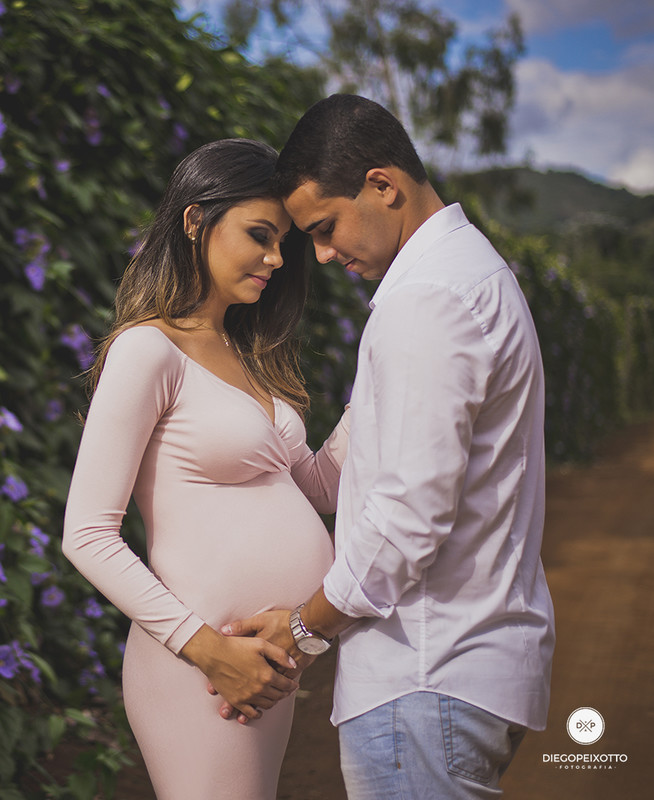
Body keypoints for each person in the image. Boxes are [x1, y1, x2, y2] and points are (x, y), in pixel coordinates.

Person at [218, 95, 555, 799]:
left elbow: (405, 520)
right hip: (456, 671)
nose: (321, 253)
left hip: (427, 674)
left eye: (325, 227)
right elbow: (348, 475)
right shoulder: (467, 276)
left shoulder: (427, 300)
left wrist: (301, 632)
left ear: (383, 185)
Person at [61, 138, 351, 800]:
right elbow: (87, 533)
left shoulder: (246, 355)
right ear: (196, 221)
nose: (277, 259)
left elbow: (315, 487)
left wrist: (383, 380)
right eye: (260, 235)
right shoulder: (148, 350)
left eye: (283, 243)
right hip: (200, 664)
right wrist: (211, 653)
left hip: (264, 664)